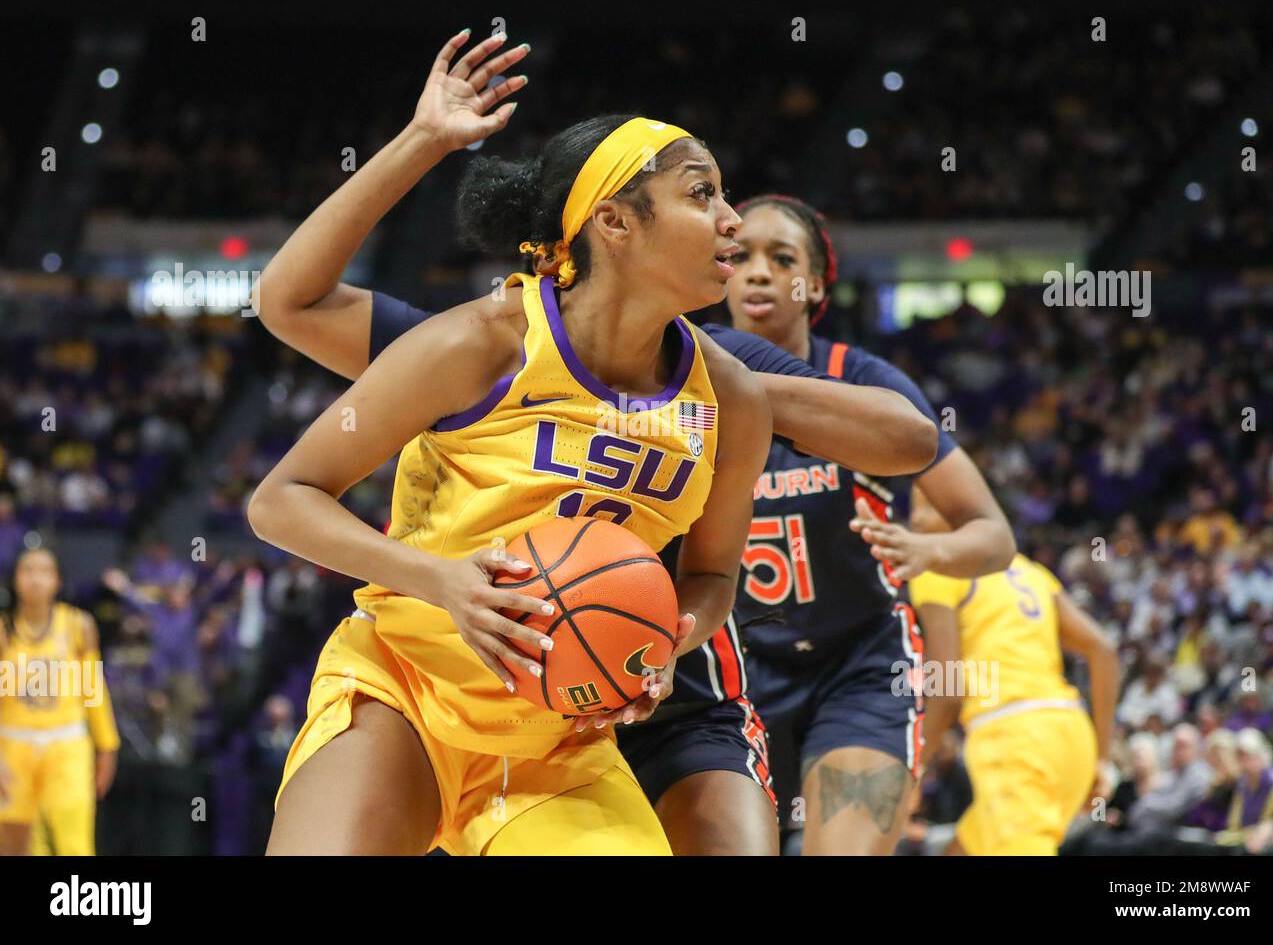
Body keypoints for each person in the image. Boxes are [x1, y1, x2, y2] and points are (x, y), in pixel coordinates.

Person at [252, 54, 937, 860]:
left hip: (562, 736)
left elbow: (712, 579)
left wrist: (664, 642)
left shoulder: (735, 399)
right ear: (615, 222)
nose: (731, 221)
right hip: (407, 687)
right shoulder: (484, 342)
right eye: (701, 193)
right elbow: (281, 499)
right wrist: (444, 581)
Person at [690, 193, 1016, 855]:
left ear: (815, 286)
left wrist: (928, 549)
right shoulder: (682, 383)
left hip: (859, 668)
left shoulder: (864, 383)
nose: (758, 272)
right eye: (742, 256)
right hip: (734, 675)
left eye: (782, 259)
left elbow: (993, 534)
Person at [909, 486, 1120, 855]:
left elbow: (947, 689)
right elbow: (1101, 650)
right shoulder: (1029, 570)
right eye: (914, 507)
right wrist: (1101, 760)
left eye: (928, 506)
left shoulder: (938, 567)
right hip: (1070, 734)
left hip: (1014, 740)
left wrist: (911, 771)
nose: (916, 519)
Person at [0, 547, 120, 855]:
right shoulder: (3, 631)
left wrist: (107, 746)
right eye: (27, 570)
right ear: (14, 579)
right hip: (13, 750)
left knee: (74, 843)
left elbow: (93, 692)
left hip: (66, 748)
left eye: (44, 571)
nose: (35, 579)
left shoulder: (79, 626)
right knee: (19, 847)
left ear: (57, 580)